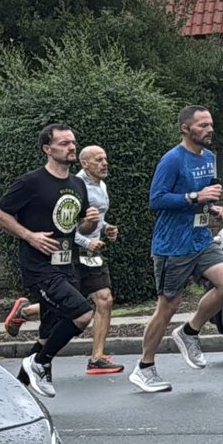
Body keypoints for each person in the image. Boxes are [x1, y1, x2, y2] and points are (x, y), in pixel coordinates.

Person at [0, 124, 100, 399]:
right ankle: (41, 362)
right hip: (39, 266)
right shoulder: (31, 182)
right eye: (64, 143)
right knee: (83, 313)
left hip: (66, 263)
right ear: (47, 149)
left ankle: (15, 396)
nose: (71, 147)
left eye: (73, 142)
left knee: (47, 334)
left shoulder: (77, 184)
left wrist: (90, 222)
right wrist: (30, 236)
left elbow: (79, 227)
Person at [141, 105, 223, 394]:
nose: (210, 130)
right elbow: (156, 199)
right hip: (172, 245)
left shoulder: (209, 157)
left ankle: (190, 331)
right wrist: (195, 196)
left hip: (200, 238)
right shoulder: (172, 160)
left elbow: (205, 195)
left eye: (211, 124)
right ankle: (144, 367)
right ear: (186, 128)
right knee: (168, 306)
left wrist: (212, 207)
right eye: (202, 125)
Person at [73, 145, 124, 377]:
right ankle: (25, 311)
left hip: (92, 252)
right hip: (74, 251)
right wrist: (86, 242)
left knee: (104, 300)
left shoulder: (101, 185)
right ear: (85, 163)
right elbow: (64, 226)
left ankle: (97, 358)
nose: (105, 163)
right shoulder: (75, 187)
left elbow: (98, 219)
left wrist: (107, 228)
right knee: (68, 303)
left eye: (105, 159)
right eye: (98, 160)